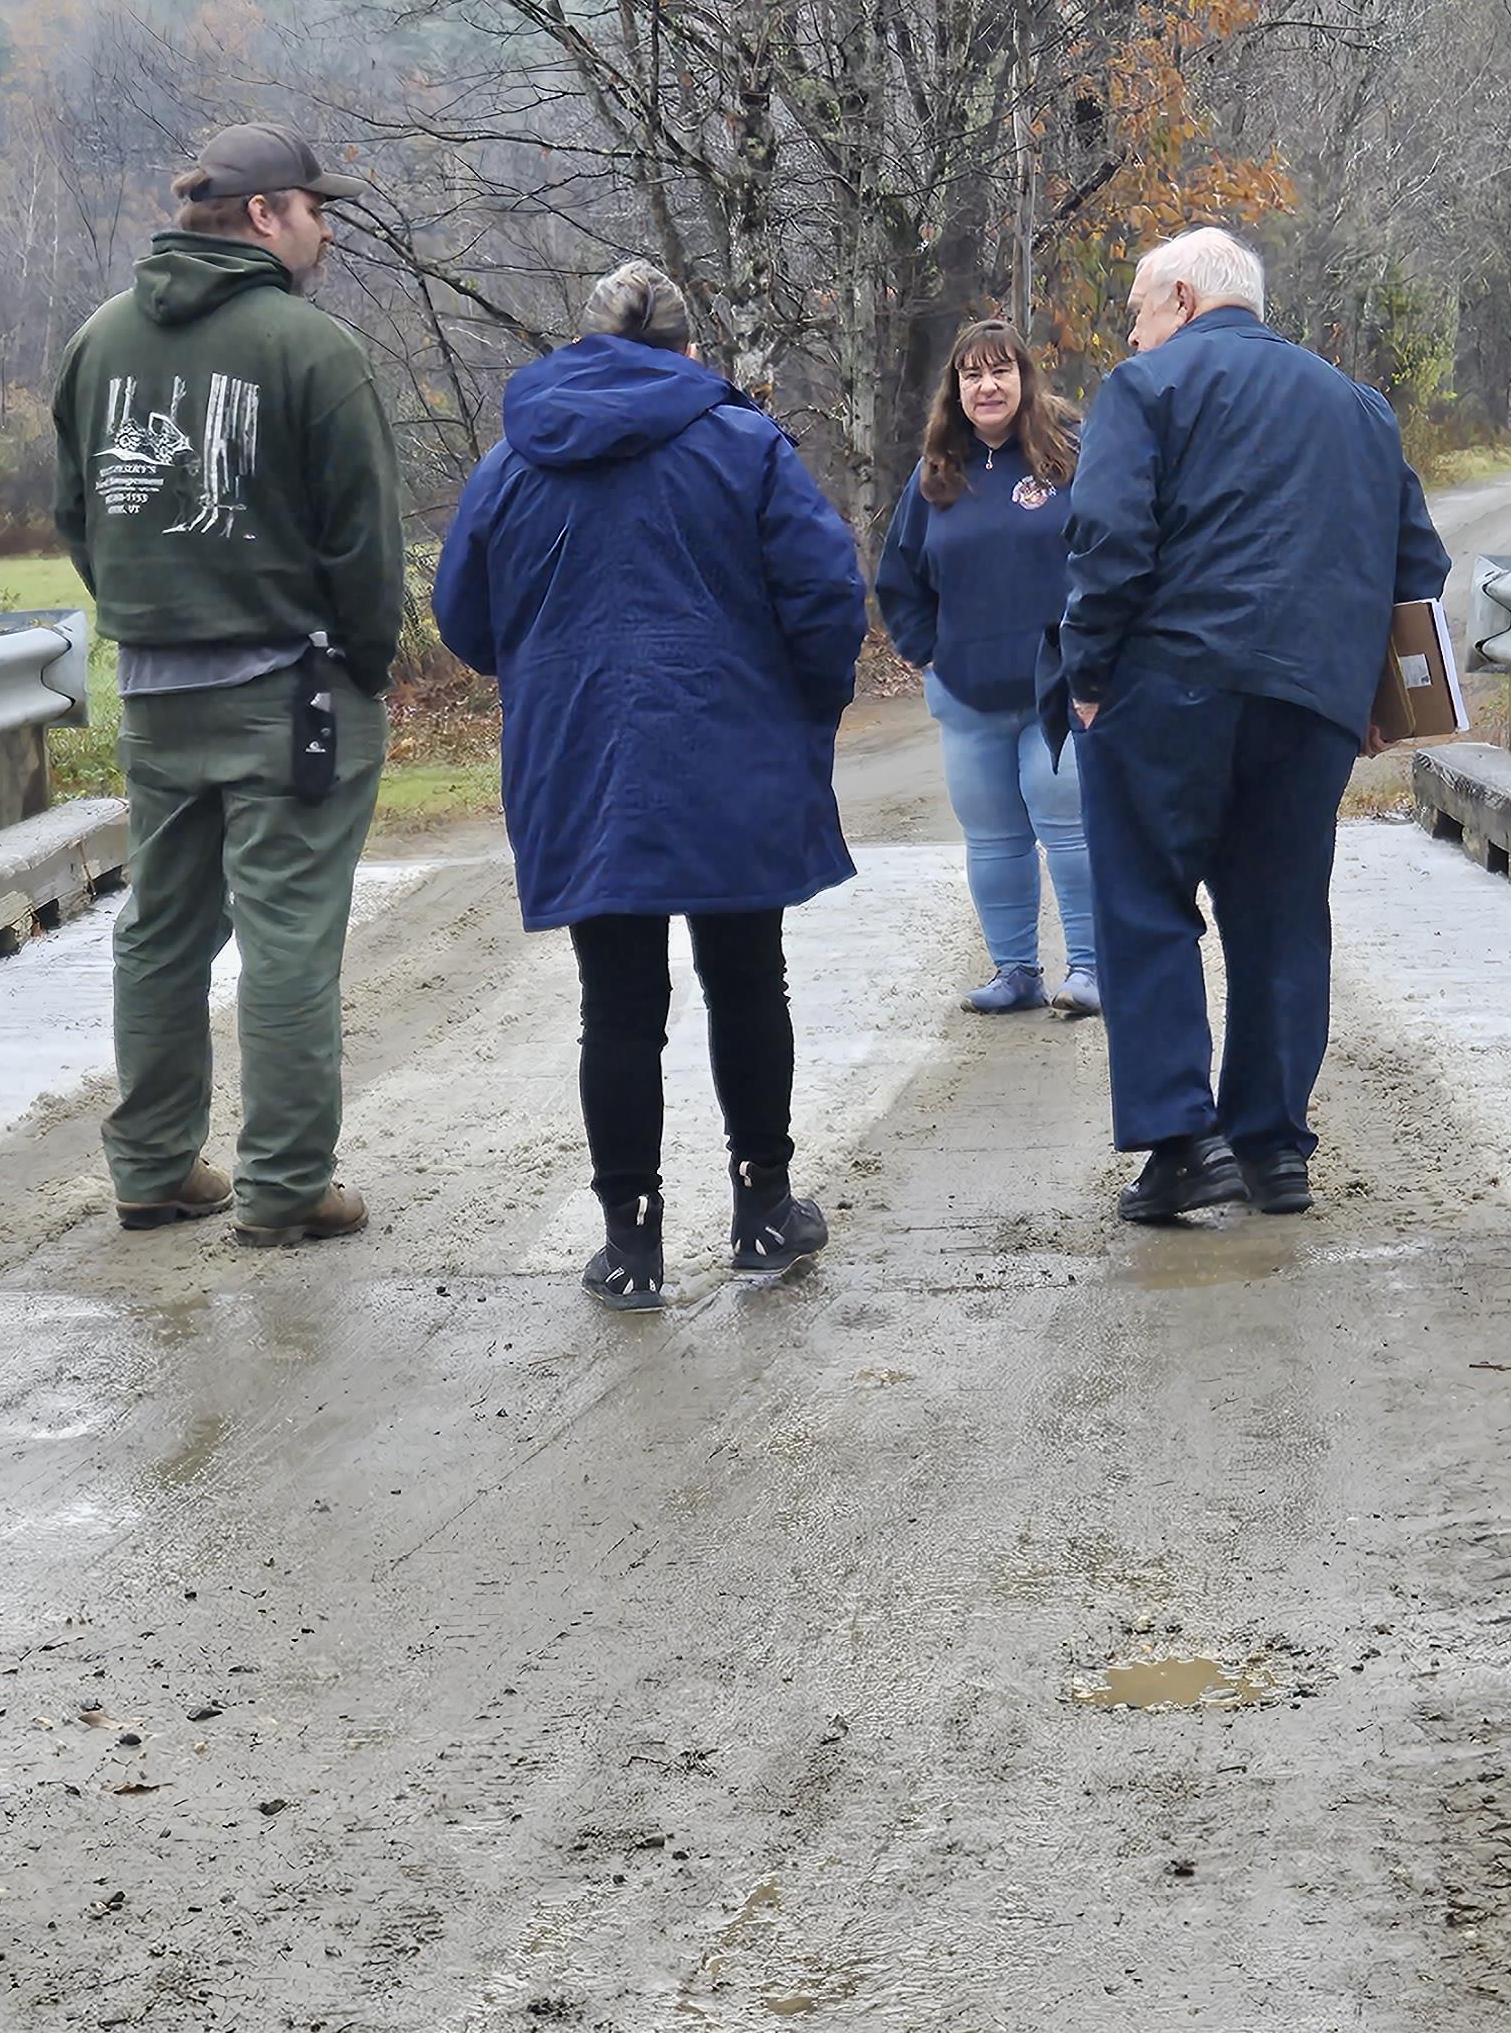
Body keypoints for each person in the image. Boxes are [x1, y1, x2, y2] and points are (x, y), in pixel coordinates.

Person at [432, 260, 868, 1311]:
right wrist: (805, 706)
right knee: (747, 980)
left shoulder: (512, 460)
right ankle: (765, 1210)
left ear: (585, 343)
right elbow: (827, 594)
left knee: (617, 1008)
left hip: (581, 752)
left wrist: (548, 673)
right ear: (688, 351)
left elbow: (463, 617)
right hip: (731, 744)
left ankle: (631, 1244)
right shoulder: (744, 442)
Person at [50, 121, 408, 1246]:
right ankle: (288, 1185)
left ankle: (154, 1167)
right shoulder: (313, 349)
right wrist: (365, 662)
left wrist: (150, 619)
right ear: (264, 217)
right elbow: (365, 545)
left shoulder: (96, 342)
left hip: (156, 690)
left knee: (162, 929)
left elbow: (77, 515)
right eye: (315, 207)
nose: (328, 228)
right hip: (291, 687)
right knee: (290, 935)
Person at [1049, 225, 1449, 1224]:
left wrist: (1087, 669)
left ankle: (1184, 1143)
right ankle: (1274, 1151)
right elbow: (1417, 567)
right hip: (1311, 703)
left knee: (1145, 903)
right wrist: (1383, 704)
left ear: (1181, 298)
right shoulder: (1361, 409)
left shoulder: (1148, 390)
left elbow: (1108, 535)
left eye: (1137, 311)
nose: (1133, 334)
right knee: (1279, 919)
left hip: (1169, 687)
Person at [874, 317, 1097, 1016]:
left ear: (1025, 379)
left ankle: (1091, 967)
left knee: (1065, 826)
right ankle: (1016, 972)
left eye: (1001, 370)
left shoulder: (1069, 457)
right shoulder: (935, 475)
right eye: (972, 375)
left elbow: (1112, 554)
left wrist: (1098, 648)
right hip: (968, 697)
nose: (987, 385)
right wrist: (927, 652)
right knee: (994, 837)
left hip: (1058, 688)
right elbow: (900, 577)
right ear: (956, 390)